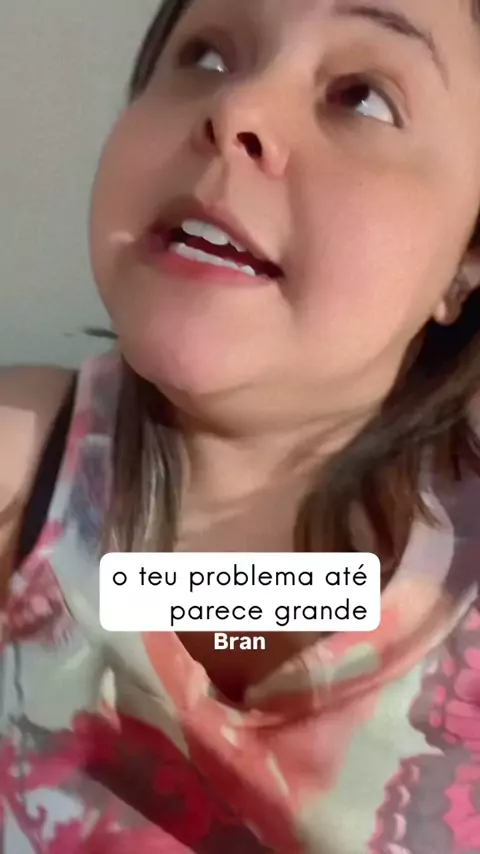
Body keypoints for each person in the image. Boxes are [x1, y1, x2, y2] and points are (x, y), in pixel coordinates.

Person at [2, 0, 480, 850]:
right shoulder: (24, 460)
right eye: (206, 55)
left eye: (362, 97)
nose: (237, 108)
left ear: (469, 258)